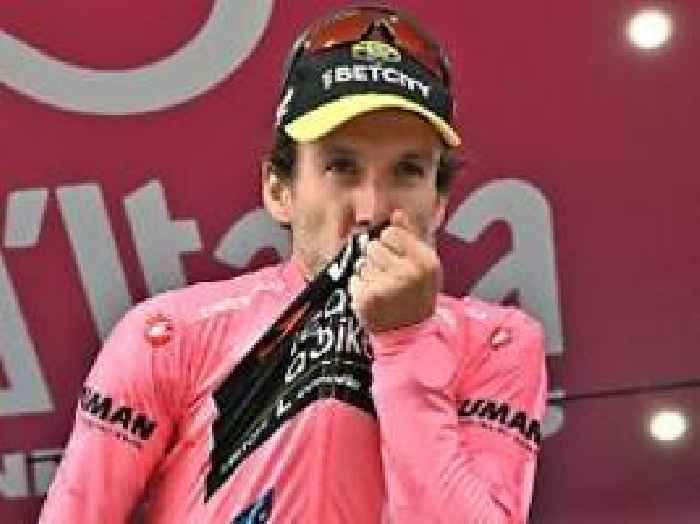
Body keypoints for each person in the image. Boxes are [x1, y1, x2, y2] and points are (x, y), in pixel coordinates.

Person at [40, 5, 547, 523]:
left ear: (439, 202)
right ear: (278, 189)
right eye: (341, 166)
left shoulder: (497, 344)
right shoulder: (169, 335)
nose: (371, 209)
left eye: (408, 171)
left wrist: (407, 343)